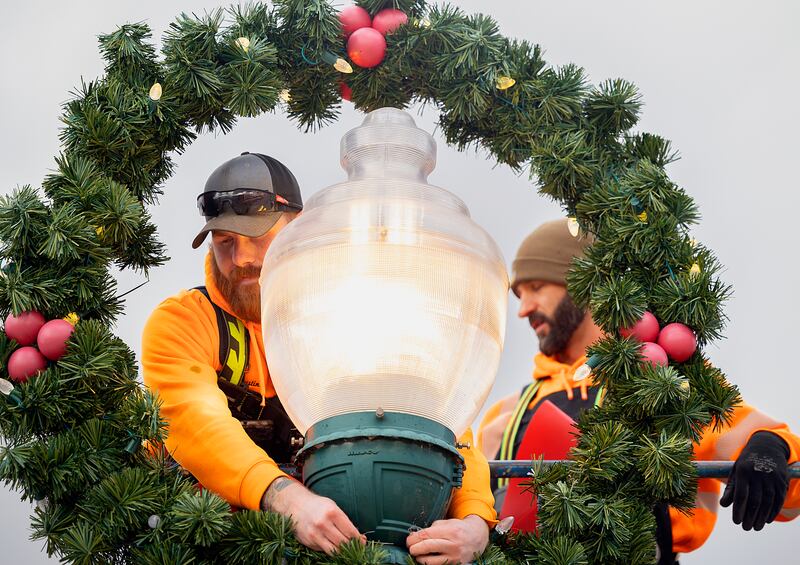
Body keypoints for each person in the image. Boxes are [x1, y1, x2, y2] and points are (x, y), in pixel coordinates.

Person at [142, 152, 494, 564]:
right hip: (205, 545)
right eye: (225, 243)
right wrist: (287, 498)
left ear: (300, 231)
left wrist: (474, 523)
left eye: (258, 238)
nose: (242, 259)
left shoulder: (343, 316)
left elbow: (437, 419)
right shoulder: (185, 320)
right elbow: (193, 421)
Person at [478, 218, 800, 563]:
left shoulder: (660, 382)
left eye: (537, 286)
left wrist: (771, 446)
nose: (523, 309)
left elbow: (784, 480)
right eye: (518, 295)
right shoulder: (505, 414)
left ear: (584, 283)